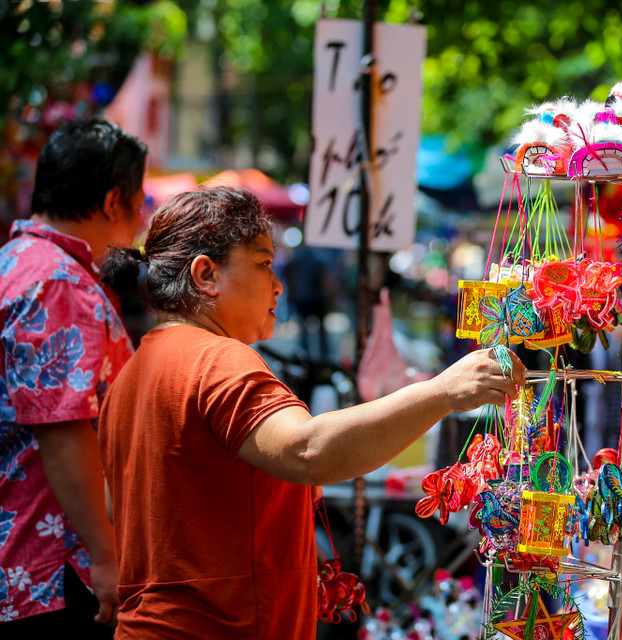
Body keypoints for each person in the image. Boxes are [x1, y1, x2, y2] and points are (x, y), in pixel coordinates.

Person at [97, 186, 524, 639]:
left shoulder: (131, 374)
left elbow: (125, 506)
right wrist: (442, 392)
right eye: (263, 264)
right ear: (206, 276)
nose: (278, 283)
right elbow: (306, 450)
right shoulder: (217, 359)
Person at [0, 119, 147, 635]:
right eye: (138, 202)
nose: (140, 218)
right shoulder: (57, 284)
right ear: (113, 202)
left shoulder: (15, 263)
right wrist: (106, 556)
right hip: (47, 570)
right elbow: (63, 432)